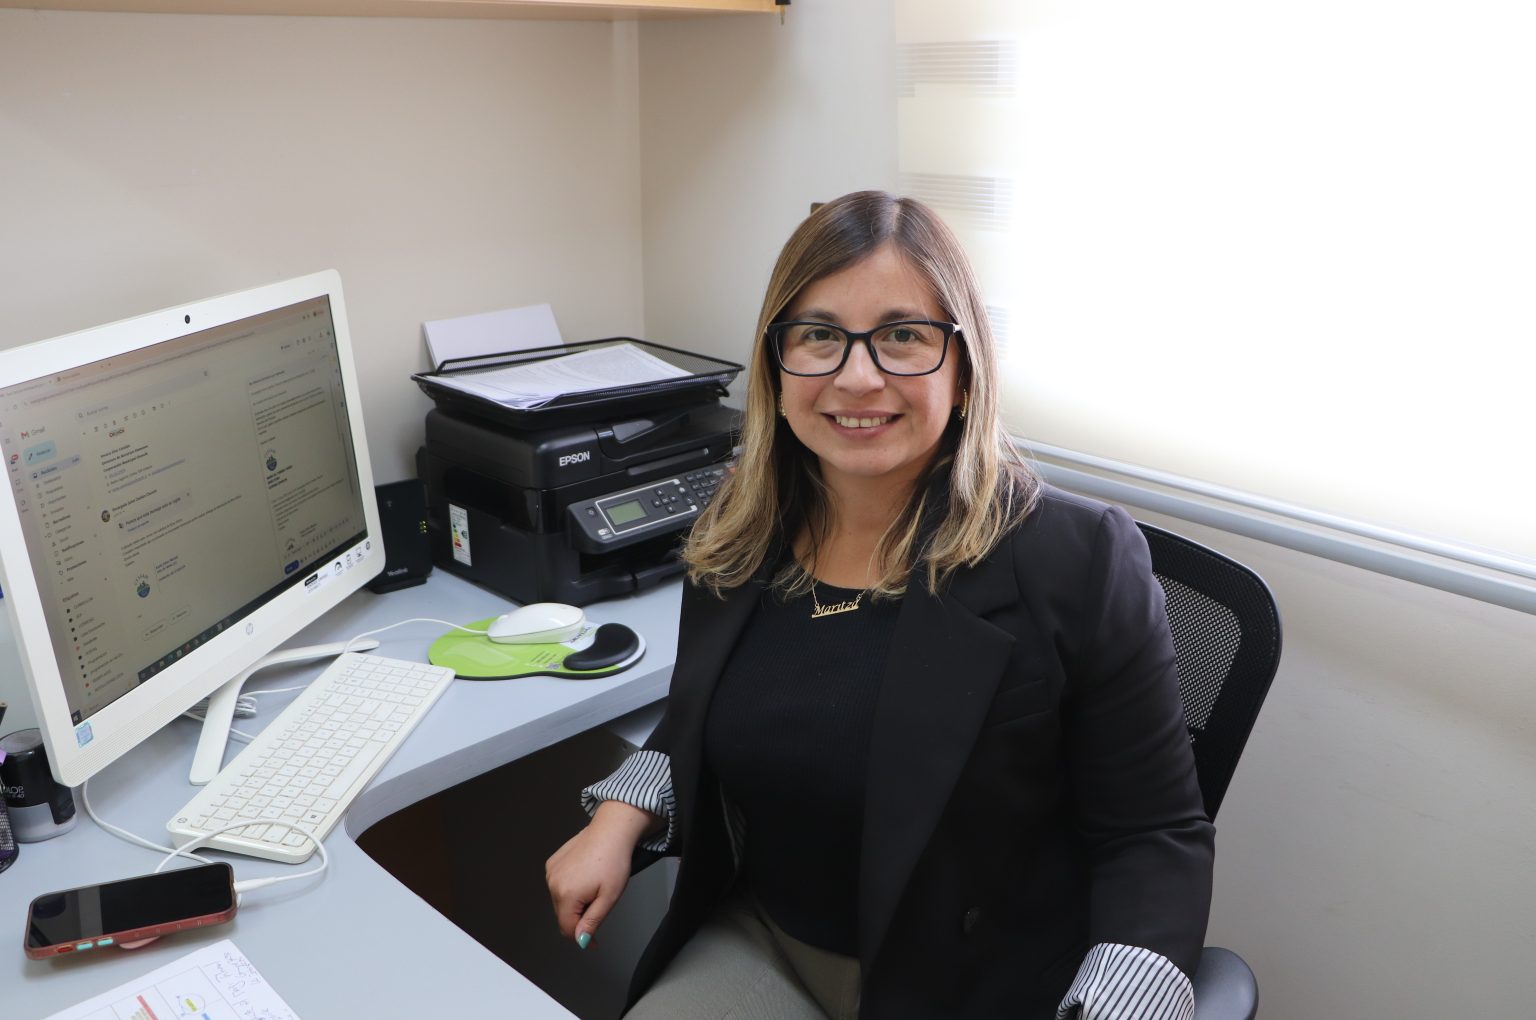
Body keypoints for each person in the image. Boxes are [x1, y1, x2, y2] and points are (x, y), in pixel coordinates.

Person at [545, 191, 1213, 1020]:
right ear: (776, 367)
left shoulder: (1076, 560)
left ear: (963, 370)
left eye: (903, 336)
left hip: (976, 980)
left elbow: (1152, 834)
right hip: (768, 943)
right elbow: (705, 717)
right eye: (819, 336)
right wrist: (620, 811)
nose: (857, 377)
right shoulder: (737, 529)